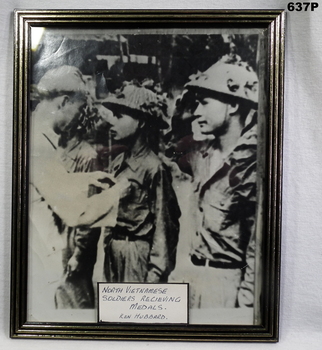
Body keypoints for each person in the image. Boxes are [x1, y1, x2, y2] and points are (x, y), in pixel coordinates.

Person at [29, 65, 120, 312]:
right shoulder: (38, 141)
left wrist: (86, 179)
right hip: (39, 255)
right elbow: (75, 212)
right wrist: (120, 194)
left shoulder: (30, 130)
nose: (78, 118)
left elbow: (49, 183)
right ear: (64, 102)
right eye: (78, 109)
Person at [182, 60, 259, 308]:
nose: (196, 111)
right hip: (191, 280)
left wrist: (246, 303)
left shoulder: (252, 167)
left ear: (234, 104)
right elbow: (171, 141)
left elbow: (259, 249)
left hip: (226, 288)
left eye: (204, 102)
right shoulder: (200, 154)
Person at [101, 83, 181, 283]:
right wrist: (108, 244)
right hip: (114, 253)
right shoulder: (117, 163)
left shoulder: (154, 168)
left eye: (120, 117)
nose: (112, 122)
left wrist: (155, 272)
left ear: (142, 122)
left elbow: (165, 226)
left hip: (138, 255)